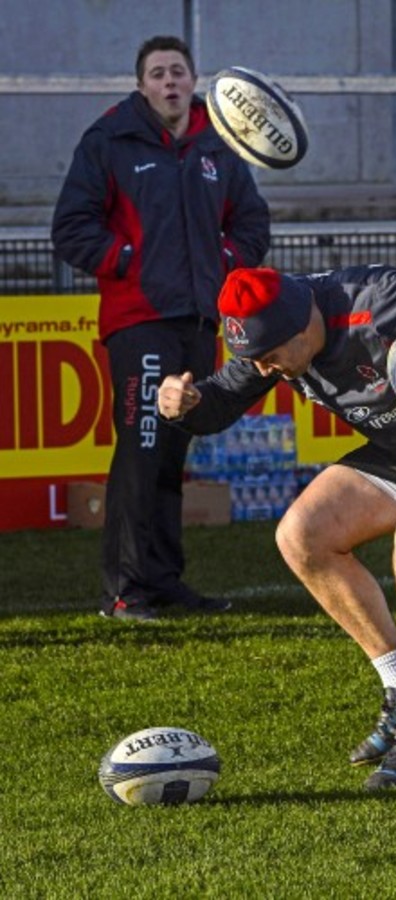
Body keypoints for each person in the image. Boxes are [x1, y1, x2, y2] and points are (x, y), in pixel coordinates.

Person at [157, 265, 396, 791]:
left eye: (270, 357)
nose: (264, 369)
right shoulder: (274, 339)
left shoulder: (375, 300)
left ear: (304, 326)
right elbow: (222, 399)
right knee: (303, 536)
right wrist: (186, 405)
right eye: (255, 359)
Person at [51, 36, 271, 621]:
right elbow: (71, 227)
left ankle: (164, 582)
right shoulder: (109, 139)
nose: (169, 81)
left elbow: (251, 222)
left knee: (173, 453)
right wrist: (130, 260)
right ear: (141, 84)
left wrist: (224, 262)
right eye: (157, 73)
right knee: (142, 449)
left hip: (199, 321)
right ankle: (125, 591)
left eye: (177, 71)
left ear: (194, 80)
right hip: (139, 321)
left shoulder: (219, 143)